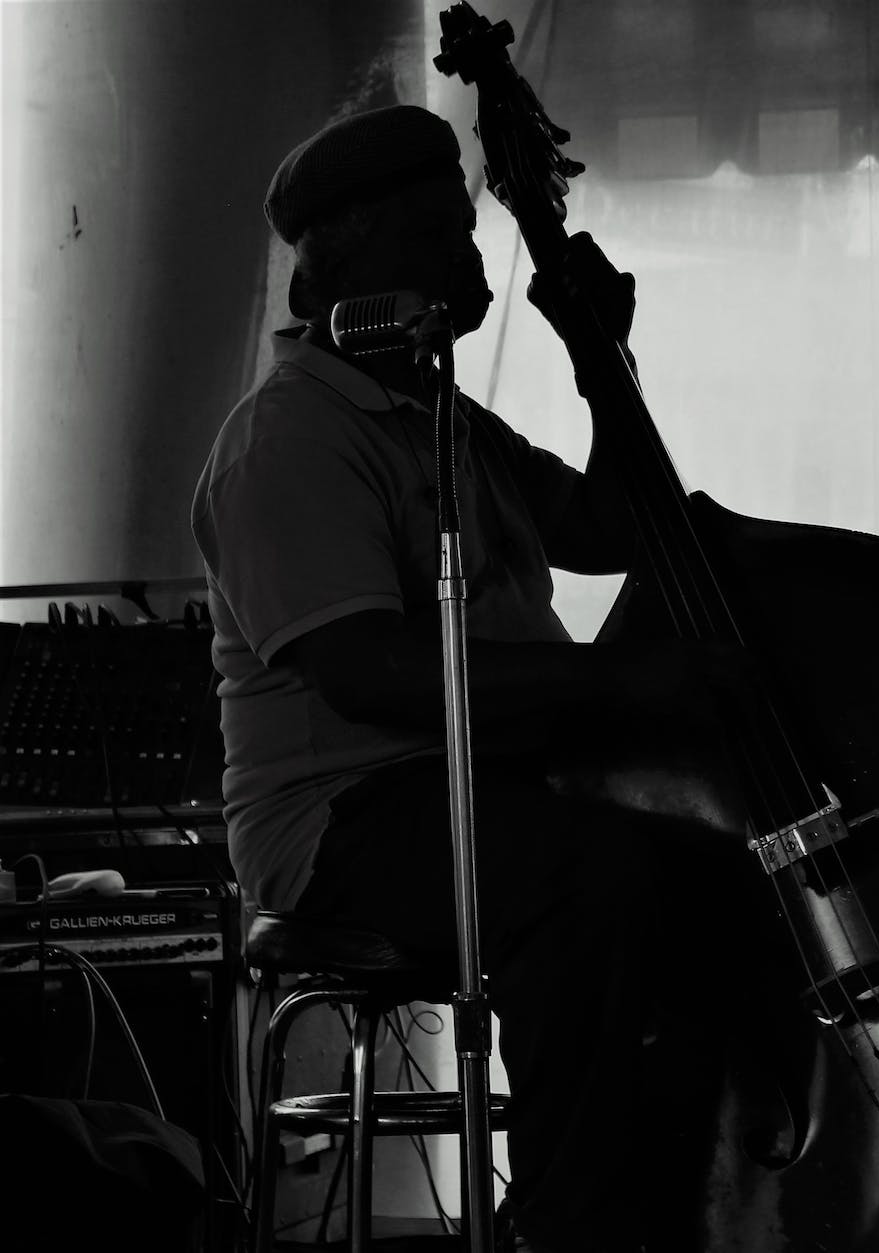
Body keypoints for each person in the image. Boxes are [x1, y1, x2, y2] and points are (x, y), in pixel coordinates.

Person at [191, 104, 747, 1252]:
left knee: (717, 872)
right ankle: (573, 1229)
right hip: (346, 821)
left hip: (486, 787)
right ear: (351, 259)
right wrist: (620, 685)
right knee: (589, 872)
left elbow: (608, 525)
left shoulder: (442, 421)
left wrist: (603, 359)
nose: (470, 262)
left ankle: (696, 1203)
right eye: (441, 237)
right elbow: (374, 675)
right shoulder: (291, 439)